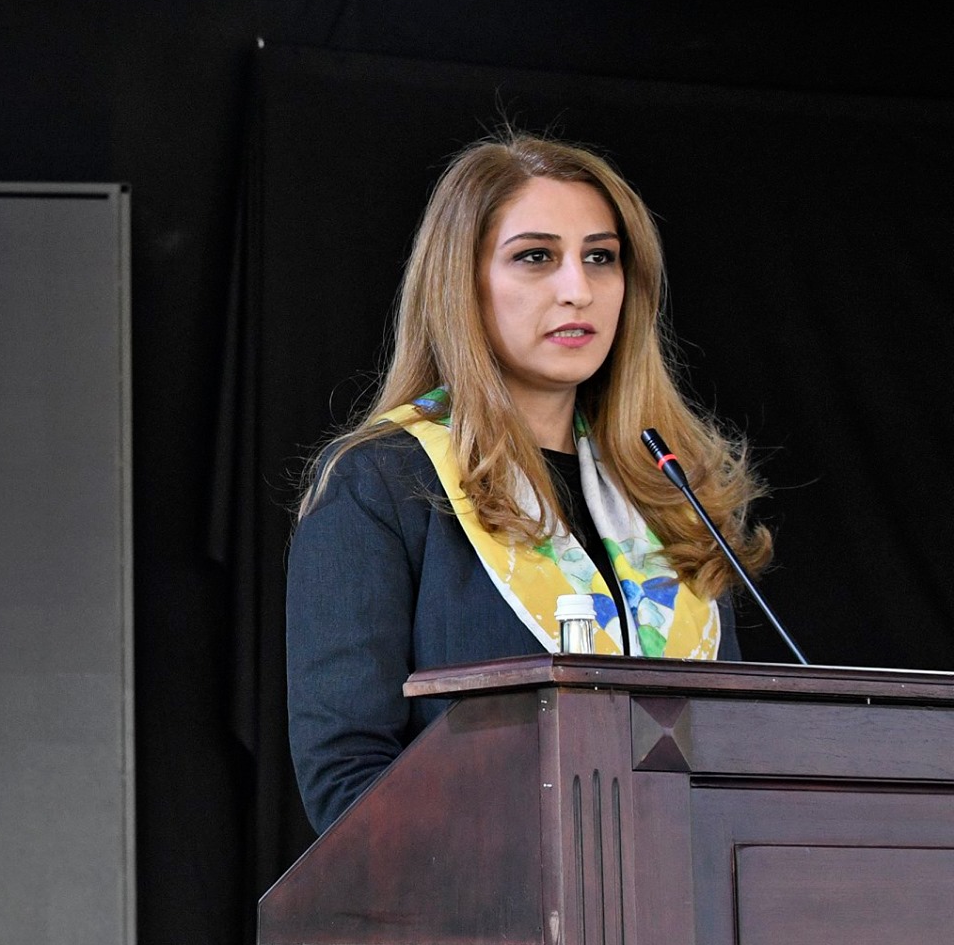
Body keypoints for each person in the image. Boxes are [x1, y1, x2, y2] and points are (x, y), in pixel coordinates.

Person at [286, 134, 767, 832]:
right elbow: (347, 778)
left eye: (601, 257)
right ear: (461, 283)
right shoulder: (382, 482)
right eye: (536, 256)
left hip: (684, 896)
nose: (578, 289)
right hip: (486, 898)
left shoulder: (668, 489)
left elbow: (738, 762)